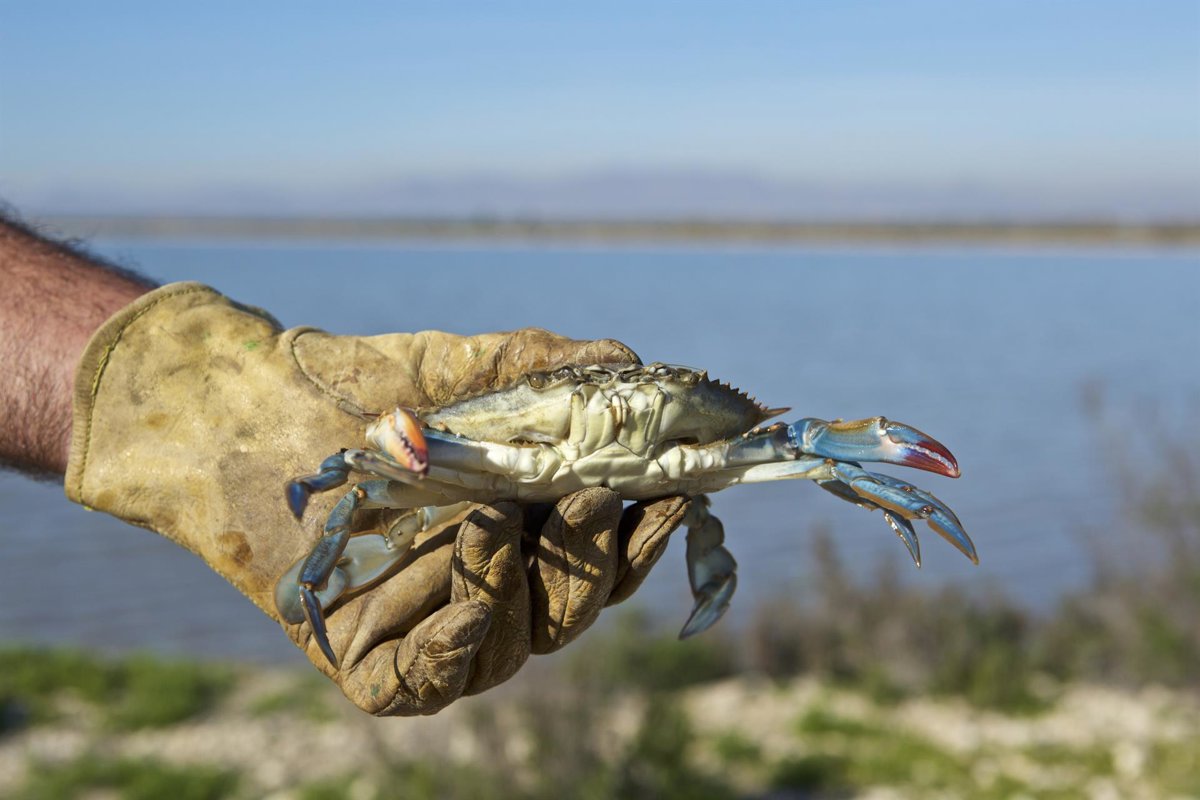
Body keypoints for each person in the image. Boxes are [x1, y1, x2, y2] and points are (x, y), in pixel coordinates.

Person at [0, 213, 689, 716]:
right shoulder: (407, 448)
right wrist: (214, 422)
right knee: (365, 506)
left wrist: (189, 395)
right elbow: (371, 461)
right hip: (439, 478)